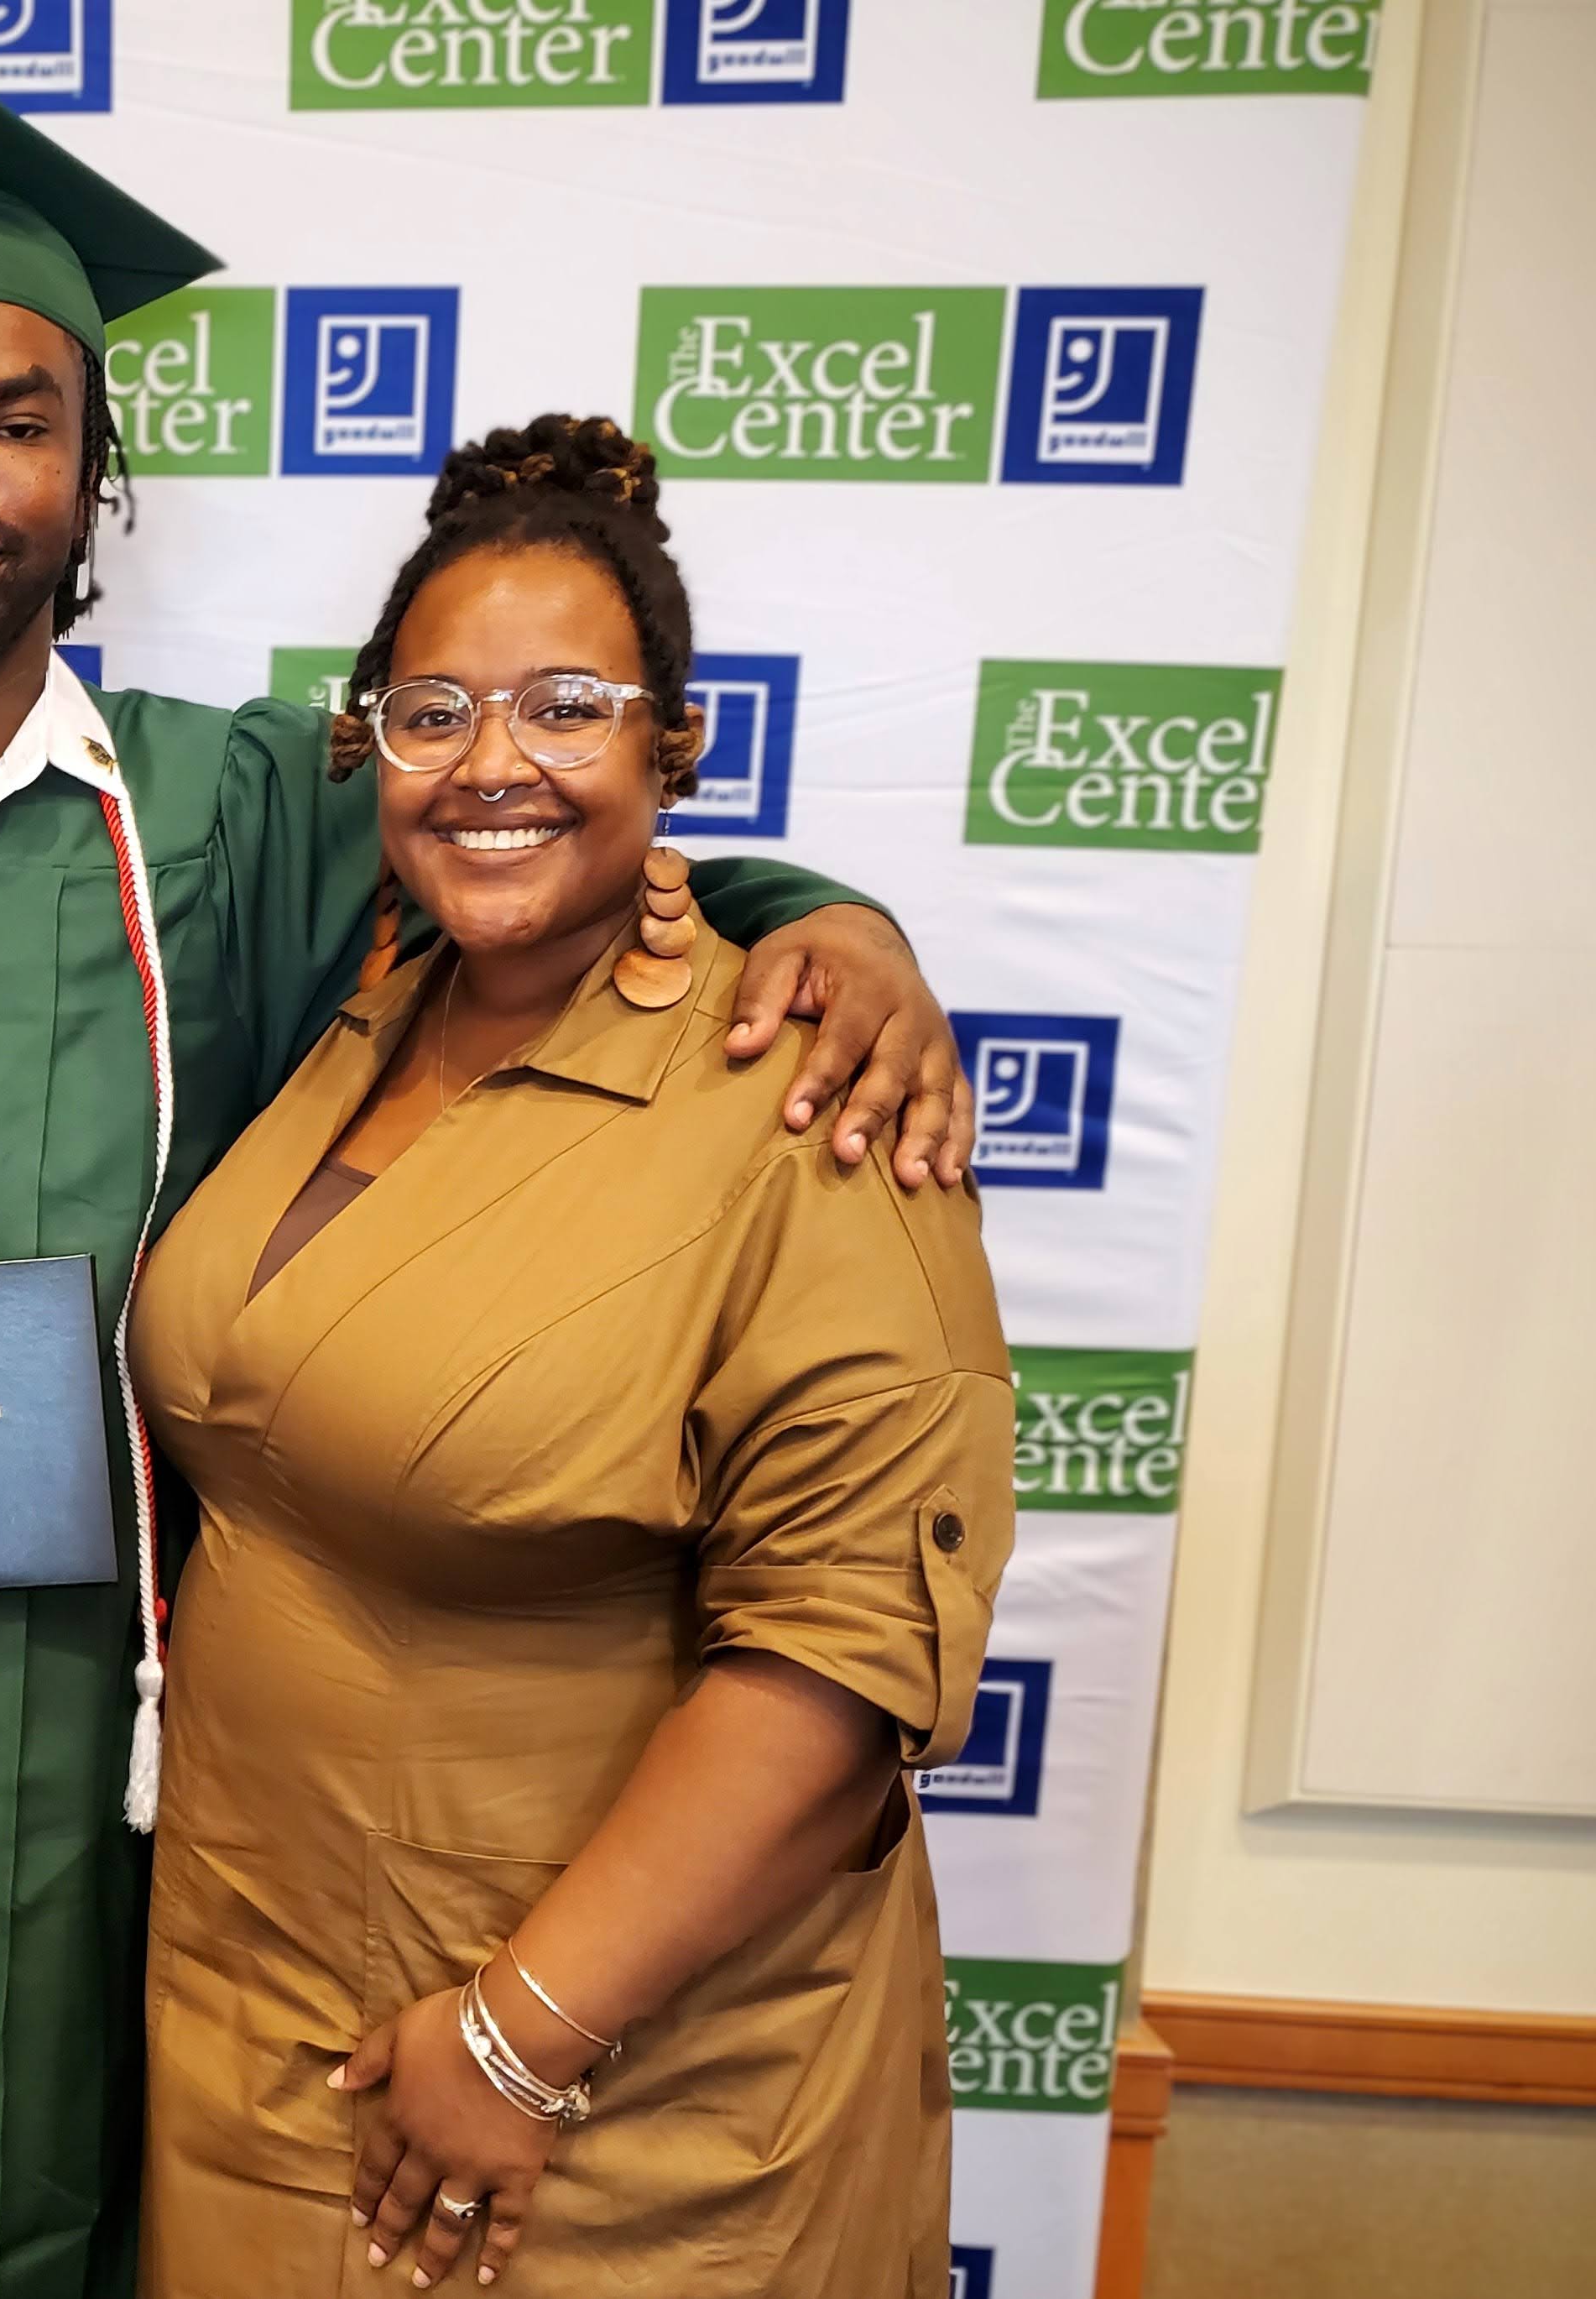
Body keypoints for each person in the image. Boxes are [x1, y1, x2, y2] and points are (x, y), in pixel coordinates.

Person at [0, 85, 974, 2299]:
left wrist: (827, 916)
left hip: (99, 1738)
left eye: (18, 416)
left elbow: (519, 849)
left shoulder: (236, 809)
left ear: (93, 476)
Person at [126, 416, 1012, 2297]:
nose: (492, 764)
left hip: (594, 2094)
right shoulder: (360, 1006)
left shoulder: (811, 1103)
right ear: (366, 739)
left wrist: (519, 2035)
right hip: (257, 2018)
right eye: (434, 710)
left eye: (567, 706)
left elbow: (840, 1663)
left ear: (669, 744)